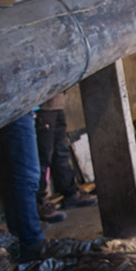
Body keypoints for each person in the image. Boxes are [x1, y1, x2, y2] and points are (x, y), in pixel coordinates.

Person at [34, 91, 97, 223]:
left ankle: (70, 193)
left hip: (56, 104)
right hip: (42, 107)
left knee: (61, 152)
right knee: (43, 158)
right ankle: (40, 202)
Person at [0, 111, 45, 260]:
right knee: (27, 176)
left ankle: (21, 242)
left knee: (15, 175)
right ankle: (31, 242)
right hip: (17, 111)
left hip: (15, 111)